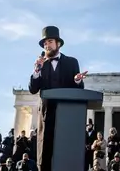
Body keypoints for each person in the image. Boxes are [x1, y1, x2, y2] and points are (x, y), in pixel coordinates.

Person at [28, 26, 87, 171]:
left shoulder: (72, 62)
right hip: (46, 117)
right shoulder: (42, 65)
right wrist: (36, 71)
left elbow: (78, 90)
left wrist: (77, 81)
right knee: (45, 157)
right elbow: (33, 89)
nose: (47, 45)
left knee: (65, 154)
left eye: (49, 41)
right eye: (44, 43)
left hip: (66, 116)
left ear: (58, 43)